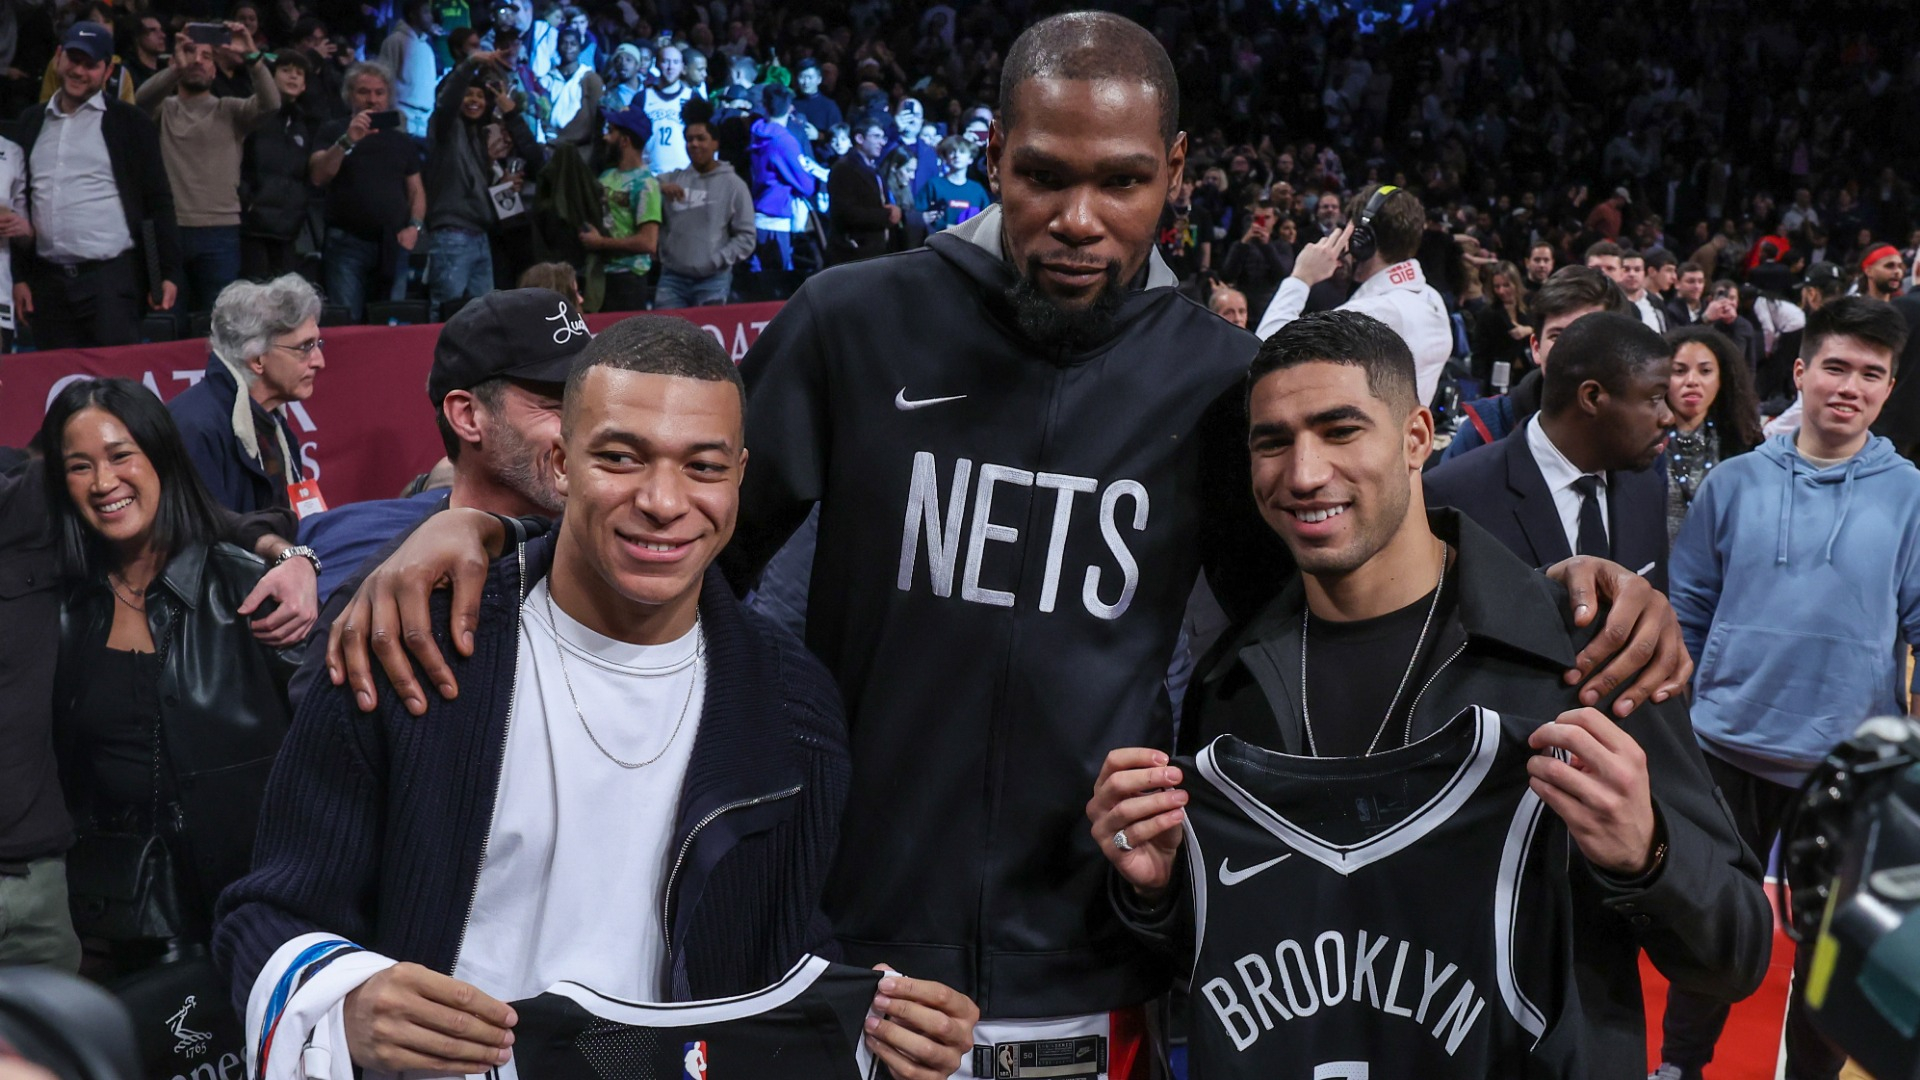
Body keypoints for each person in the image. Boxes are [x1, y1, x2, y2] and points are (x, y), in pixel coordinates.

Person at [317, 15, 1690, 1073]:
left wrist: (1551, 579)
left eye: (1121, 183)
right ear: (993, 157)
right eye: (1042, 176)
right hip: (834, 944)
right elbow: (672, 550)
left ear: (1177, 178)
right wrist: (478, 539)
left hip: (1090, 963)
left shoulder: (1214, 382)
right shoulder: (857, 324)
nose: (1078, 219)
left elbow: (1346, 589)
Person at [215, 317, 978, 1080]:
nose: (663, 500)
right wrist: (345, 1001)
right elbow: (270, 912)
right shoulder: (415, 642)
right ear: (560, 463)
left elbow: (776, 954)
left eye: (703, 467)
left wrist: (880, 1027)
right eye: (621, 458)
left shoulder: (790, 700)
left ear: (739, 476)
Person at [1088, 311, 1767, 1075]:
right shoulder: (1233, 688)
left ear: (1416, 438)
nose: (1304, 473)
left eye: (1340, 430)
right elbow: (1238, 967)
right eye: (1272, 441)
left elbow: (1734, 953)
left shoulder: (1588, 653)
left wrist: (1648, 856)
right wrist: (1159, 894)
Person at [1660, 296, 1920, 1080]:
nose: (1851, 386)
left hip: (1848, 763)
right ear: (1801, 371)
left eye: (1871, 374)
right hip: (1723, 746)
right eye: (1836, 366)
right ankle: (1677, 1068)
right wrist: (1687, 716)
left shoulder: (1910, 492)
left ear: (1888, 387)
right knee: (1708, 930)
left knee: (1828, 951)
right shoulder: (1734, 482)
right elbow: (1688, 612)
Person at [0, 445, 314, 972]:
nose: (104, 481)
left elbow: (180, 503)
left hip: (50, 888)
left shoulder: (22, 502)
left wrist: (290, 555)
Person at [297, 288, 581, 621]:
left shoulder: (624, 553)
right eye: (555, 408)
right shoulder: (380, 603)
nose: (588, 429)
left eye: (590, 404)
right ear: (468, 417)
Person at [1428, 310, 1673, 589]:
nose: (1668, 416)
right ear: (1592, 397)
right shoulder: (1454, 496)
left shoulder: (1646, 486)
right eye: (1654, 398)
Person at [15, 21, 182, 349]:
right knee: (59, 390)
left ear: (107, 71)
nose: (79, 71)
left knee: (115, 389)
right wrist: (20, 277)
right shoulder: (30, 122)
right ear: (58, 58)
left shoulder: (130, 122)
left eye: (90, 64)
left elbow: (158, 199)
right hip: (47, 284)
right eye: (73, 59)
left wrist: (169, 271)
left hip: (111, 280)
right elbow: (21, 203)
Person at [1255, 184, 1453, 408]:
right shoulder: (1431, 297)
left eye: (1348, 230)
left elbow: (1263, 361)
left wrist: (1300, 278)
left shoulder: (1370, 314)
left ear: (1362, 238)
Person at [134, 19, 279, 314]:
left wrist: (252, 56)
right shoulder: (166, 108)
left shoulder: (230, 110)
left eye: (206, 56)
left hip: (220, 231)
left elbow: (271, 104)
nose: (198, 61)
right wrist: (175, 69)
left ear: (215, 69)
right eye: (191, 53)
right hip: (170, 228)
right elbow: (138, 103)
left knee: (218, 324)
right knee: (168, 320)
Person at [167, 275, 325, 516]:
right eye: (305, 347)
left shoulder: (273, 426)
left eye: (318, 344)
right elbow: (207, 540)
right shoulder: (194, 428)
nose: (319, 362)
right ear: (258, 359)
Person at [1444, 266, 1630, 460]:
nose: (1571, 350)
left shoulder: (1638, 436)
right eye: (1557, 336)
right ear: (1536, 348)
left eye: (1591, 336)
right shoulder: (1484, 429)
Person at [424, 52, 538, 319]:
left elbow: (534, 158)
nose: (473, 100)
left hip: (480, 236)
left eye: (479, 96)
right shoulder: (446, 130)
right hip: (453, 234)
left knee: (484, 318)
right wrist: (472, 63)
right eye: (468, 94)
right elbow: (447, 101)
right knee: (446, 313)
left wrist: (502, 185)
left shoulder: (479, 136)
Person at [310, 62, 425, 322]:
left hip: (393, 244)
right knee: (347, 323)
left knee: (391, 325)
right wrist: (348, 139)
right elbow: (318, 176)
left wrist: (414, 227)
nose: (372, 99)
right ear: (350, 95)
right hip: (346, 245)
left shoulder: (401, 139)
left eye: (379, 92)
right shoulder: (333, 130)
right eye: (363, 91)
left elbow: (416, 191)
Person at [1661, 325, 1763, 544]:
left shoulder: (1742, 440)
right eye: (1679, 371)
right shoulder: (1642, 442)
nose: (1692, 381)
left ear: (1721, 379)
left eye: (1705, 371)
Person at [654, 110, 754, 309]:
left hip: (713, 281)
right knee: (663, 338)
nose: (694, 144)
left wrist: (718, 260)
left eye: (701, 138)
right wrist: (659, 187)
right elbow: (642, 184)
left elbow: (747, 237)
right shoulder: (672, 179)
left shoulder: (734, 185)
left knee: (706, 340)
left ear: (715, 143)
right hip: (672, 279)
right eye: (689, 139)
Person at [240, 51, 319, 281]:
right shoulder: (253, 115)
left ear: (304, 86)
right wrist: (247, 200)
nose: (293, 77)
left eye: (299, 73)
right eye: (285, 71)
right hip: (252, 227)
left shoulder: (303, 124)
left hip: (288, 229)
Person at [584, 105, 661, 312]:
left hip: (629, 279)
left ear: (625, 140)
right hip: (601, 275)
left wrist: (601, 243)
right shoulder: (605, 176)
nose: (606, 138)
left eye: (611, 132)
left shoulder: (646, 184)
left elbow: (648, 242)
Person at [748, 84, 817, 289]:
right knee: (777, 287)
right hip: (776, 220)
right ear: (789, 108)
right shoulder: (785, 140)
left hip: (757, 214)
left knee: (757, 284)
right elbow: (807, 185)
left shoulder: (756, 131)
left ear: (764, 106)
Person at [824, 112, 895, 266]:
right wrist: (887, 214)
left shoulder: (874, 169)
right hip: (853, 255)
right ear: (859, 138)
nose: (882, 142)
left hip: (874, 253)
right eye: (876, 136)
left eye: (883, 137)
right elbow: (846, 212)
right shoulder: (844, 169)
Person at [377, 0, 437, 137]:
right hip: (401, 116)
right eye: (426, 12)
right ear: (412, 15)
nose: (431, 17)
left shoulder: (427, 48)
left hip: (424, 121)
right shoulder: (394, 41)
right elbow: (384, 80)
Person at [1471, 259, 1531, 393]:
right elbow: (1479, 349)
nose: (1501, 291)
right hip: (1499, 375)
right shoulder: (1488, 313)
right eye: (1497, 286)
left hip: (1528, 371)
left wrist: (1528, 330)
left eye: (1506, 285)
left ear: (1516, 283)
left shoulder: (1530, 305)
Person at [537, 27, 600, 146]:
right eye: (564, 43)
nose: (568, 48)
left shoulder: (588, 77)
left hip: (579, 141)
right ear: (557, 46)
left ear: (579, 47)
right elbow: (541, 112)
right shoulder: (547, 79)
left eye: (573, 44)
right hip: (551, 140)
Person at [915, 133, 989, 233]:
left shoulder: (977, 190)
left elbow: (988, 221)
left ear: (970, 159)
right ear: (945, 158)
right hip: (938, 241)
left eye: (962, 152)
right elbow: (918, 215)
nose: (957, 155)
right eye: (952, 152)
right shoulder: (934, 185)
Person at [642, 44, 697, 174]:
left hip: (685, 174)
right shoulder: (642, 98)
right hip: (651, 175)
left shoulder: (692, 98)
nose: (670, 67)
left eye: (675, 62)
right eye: (666, 61)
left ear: (682, 67)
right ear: (656, 64)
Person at [1620, 249, 1668, 333]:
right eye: (1626, 269)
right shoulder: (1612, 302)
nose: (1632, 274)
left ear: (1644, 273)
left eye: (1637, 269)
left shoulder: (1656, 302)